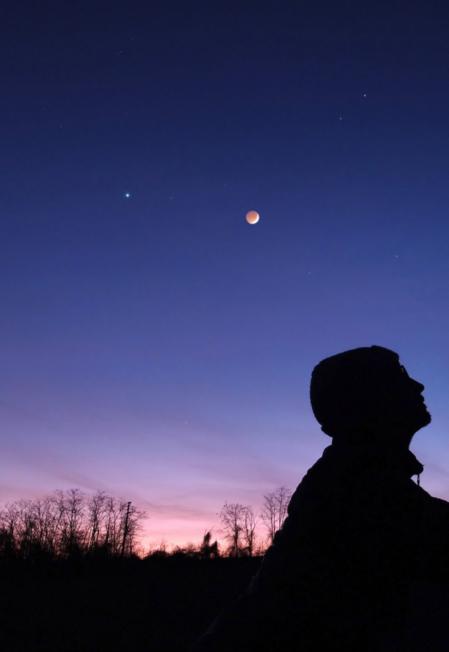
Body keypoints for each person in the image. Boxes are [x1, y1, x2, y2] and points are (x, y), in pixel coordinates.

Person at [193, 346, 449, 651]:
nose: (418, 385)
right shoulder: (359, 491)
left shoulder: (360, 478)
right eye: (399, 378)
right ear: (367, 401)